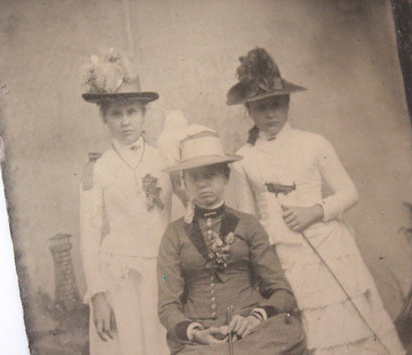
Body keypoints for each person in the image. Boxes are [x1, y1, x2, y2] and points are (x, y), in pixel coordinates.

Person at [226, 48, 406, 354]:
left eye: (277, 105)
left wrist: (315, 211)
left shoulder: (313, 143)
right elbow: (247, 218)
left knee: (353, 326)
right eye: (261, 107)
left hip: (329, 246)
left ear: (287, 103)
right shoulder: (244, 157)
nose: (270, 114)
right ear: (248, 110)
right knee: (309, 331)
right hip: (284, 257)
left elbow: (350, 192)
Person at [157, 129, 307, 354]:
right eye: (194, 177)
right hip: (201, 338)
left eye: (210, 175)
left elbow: (282, 291)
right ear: (184, 182)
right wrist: (197, 333)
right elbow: (168, 304)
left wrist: (254, 319)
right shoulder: (175, 233)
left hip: (253, 331)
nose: (203, 184)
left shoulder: (248, 225)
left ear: (226, 176)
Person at [80, 52, 171, 355]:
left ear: (144, 113)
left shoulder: (163, 159)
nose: (125, 122)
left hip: (160, 273)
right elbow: (89, 236)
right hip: (119, 279)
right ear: (104, 117)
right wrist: (98, 295)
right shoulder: (99, 168)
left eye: (132, 111)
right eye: (116, 114)